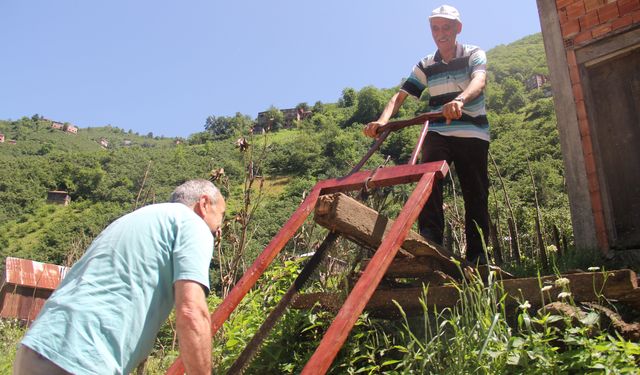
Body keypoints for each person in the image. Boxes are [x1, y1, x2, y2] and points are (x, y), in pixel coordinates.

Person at [14, 179, 226, 375]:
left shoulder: (138, 218)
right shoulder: (193, 224)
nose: (219, 229)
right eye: (221, 216)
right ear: (204, 204)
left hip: (38, 349)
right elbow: (191, 311)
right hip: (83, 357)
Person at [363, 4, 490, 264]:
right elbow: (399, 97)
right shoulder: (426, 64)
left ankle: (478, 256)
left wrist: (461, 100)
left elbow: (480, 80)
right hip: (439, 130)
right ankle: (430, 237)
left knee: (475, 192)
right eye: (435, 28)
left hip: (472, 131)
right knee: (428, 177)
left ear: (458, 29)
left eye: (446, 27)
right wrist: (382, 120)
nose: (440, 33)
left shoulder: (473, 54)